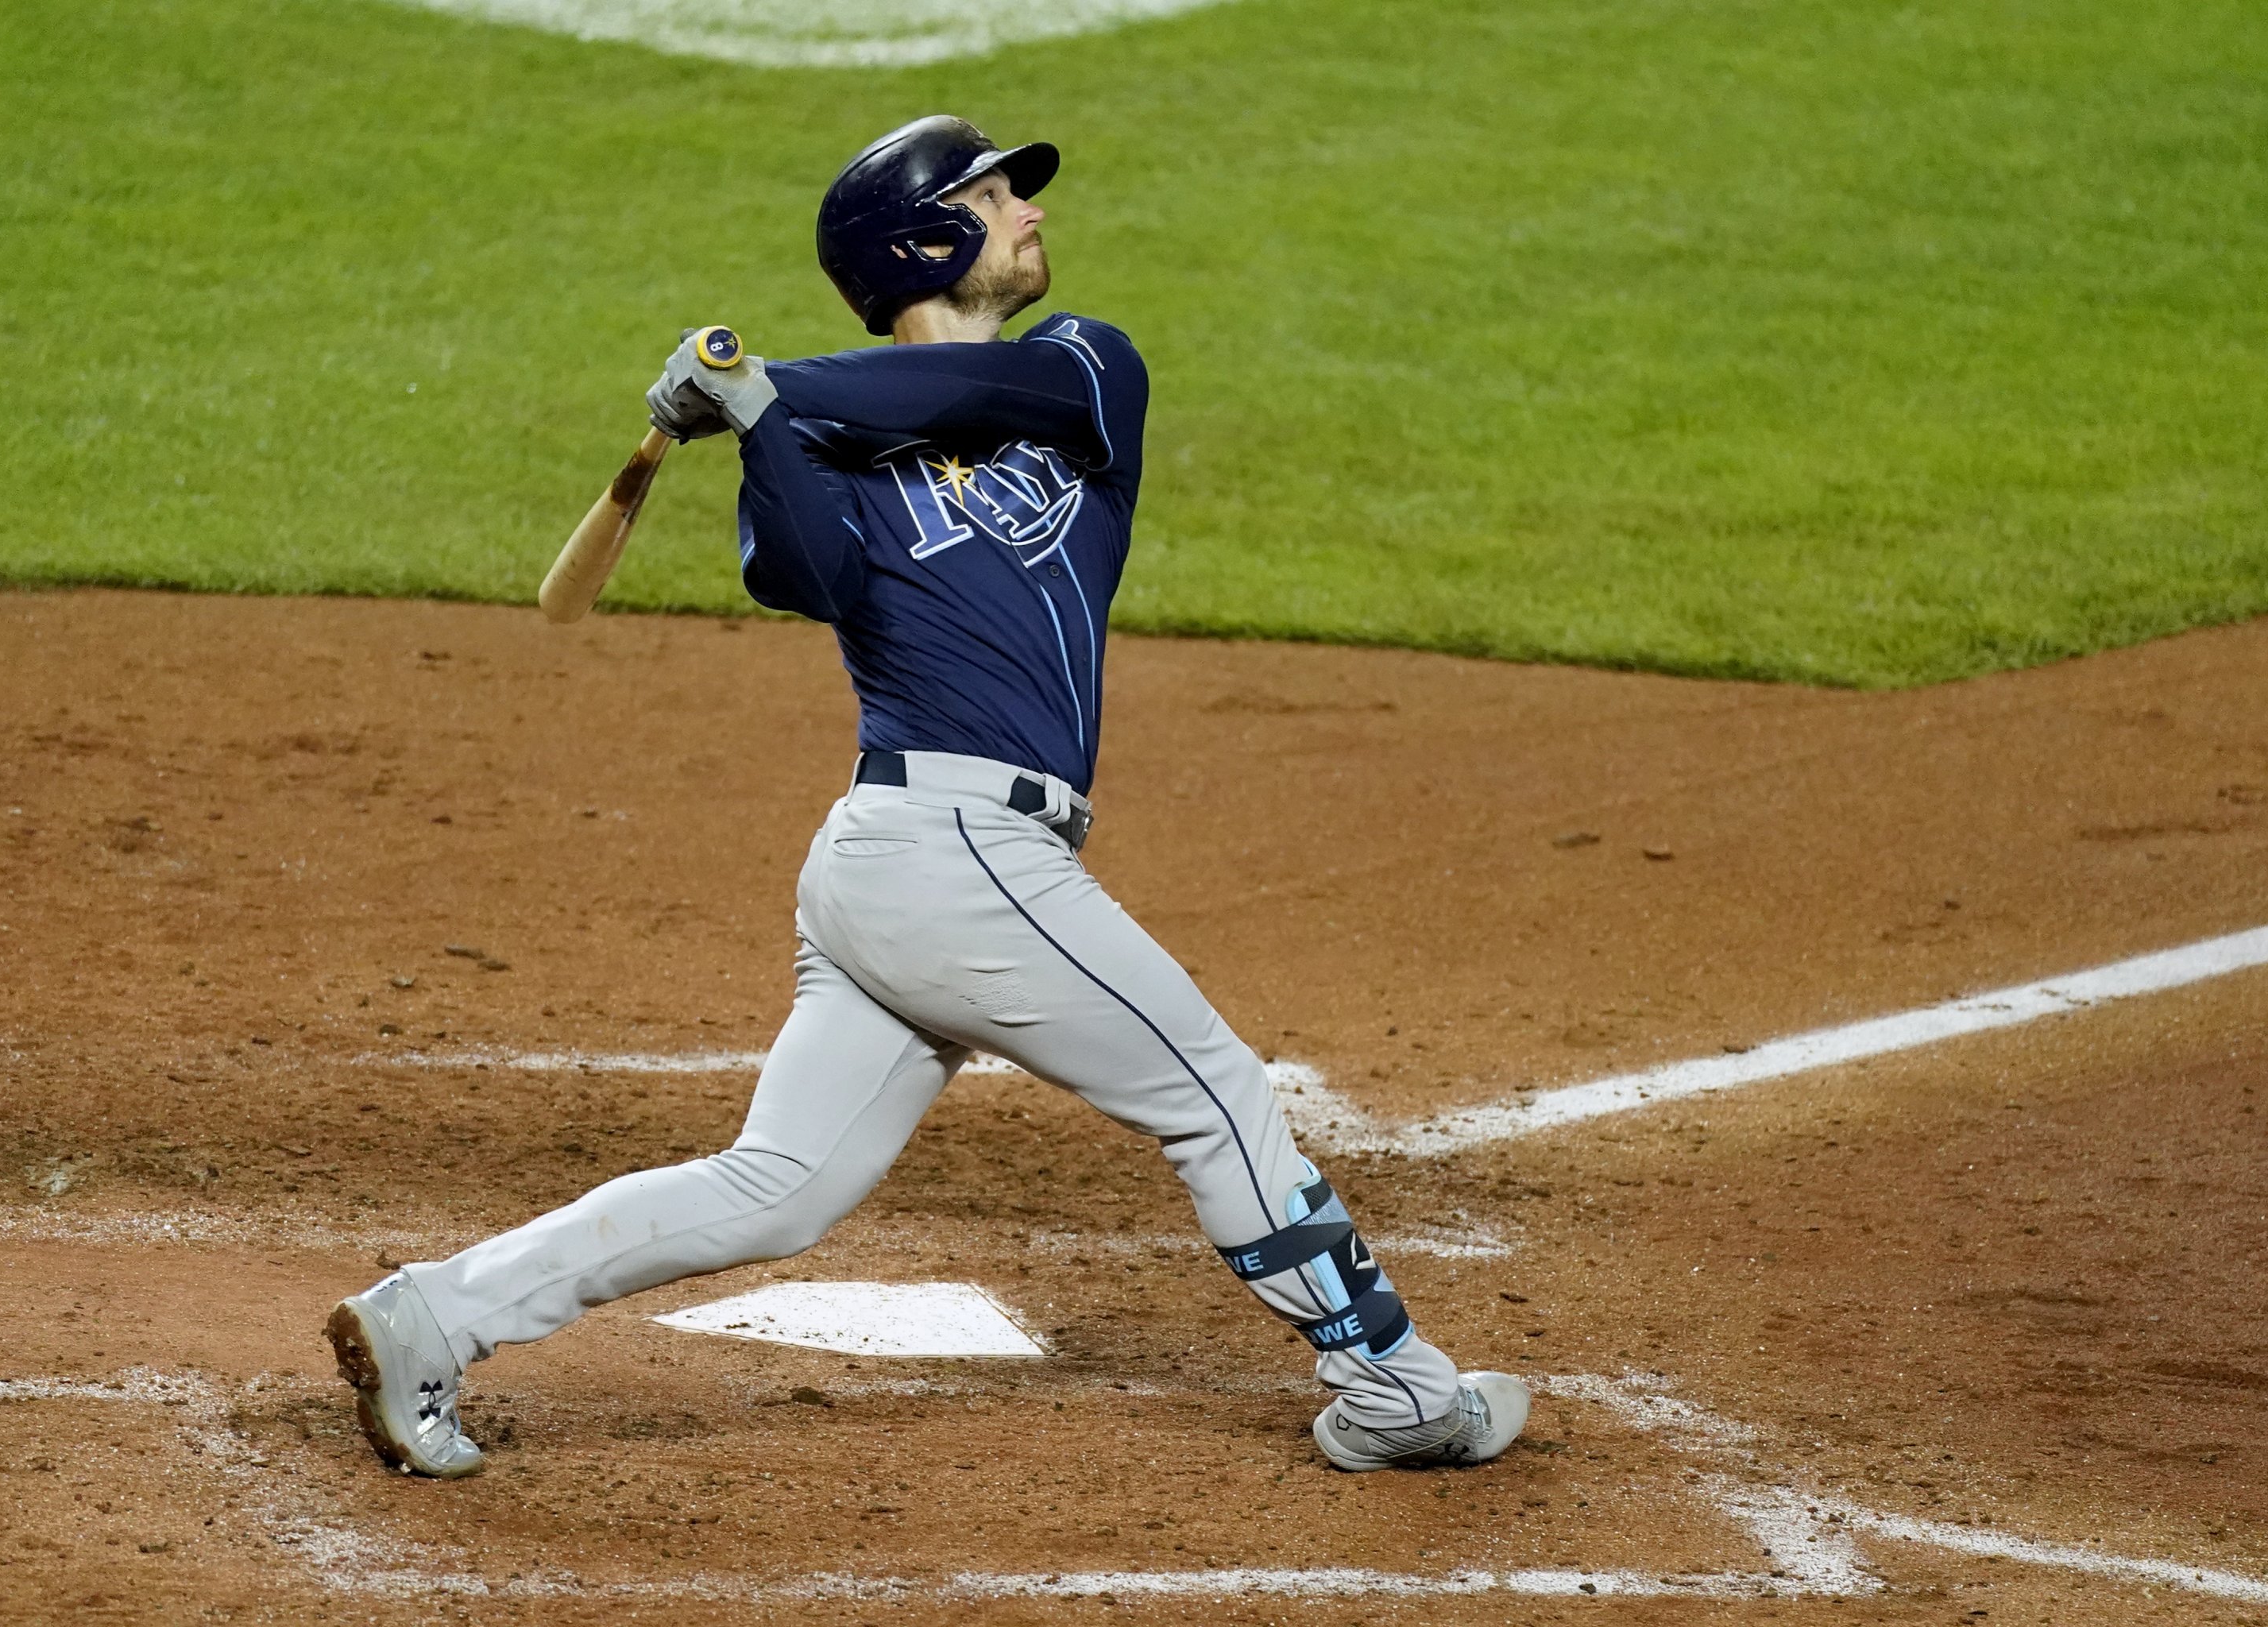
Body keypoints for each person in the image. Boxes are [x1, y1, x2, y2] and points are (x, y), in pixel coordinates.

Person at [325, 114, 1527, 1480]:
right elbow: (799, 574)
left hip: (922, 871)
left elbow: (945, 401)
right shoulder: (821, 454)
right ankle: (1394, 1392)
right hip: (940, 850)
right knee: (1214, 1096)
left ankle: (434, 1314)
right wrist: (756, 428)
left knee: (779, 1189)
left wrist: (764, 386)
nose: (1025, 210)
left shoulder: (1081, 372)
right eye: (993, 192)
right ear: (923, 239)